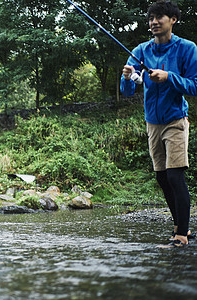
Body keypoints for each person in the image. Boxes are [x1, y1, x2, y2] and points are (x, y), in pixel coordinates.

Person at [120, 0, 197, 247]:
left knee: (175, 176)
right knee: (162, 178)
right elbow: (128, 89)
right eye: (151, 18)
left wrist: (169, 77)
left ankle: (182, 236)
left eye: (159, 17)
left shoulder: (187, 48)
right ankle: (179, 225)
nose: (154, 22)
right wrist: (127, 78)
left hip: (175, 119)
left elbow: (194, 85)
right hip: (152, 122)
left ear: (173, 19)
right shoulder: (141, 50)